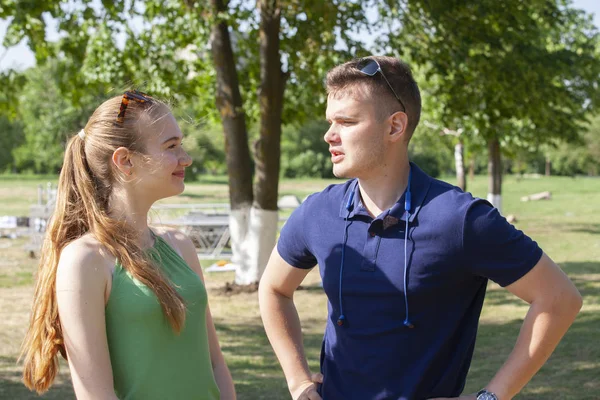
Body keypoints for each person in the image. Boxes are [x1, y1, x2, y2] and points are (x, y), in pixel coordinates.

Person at [258, 56, 583, 400]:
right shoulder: (317, 212)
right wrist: (298, 381)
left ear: (395, 126)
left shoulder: (460, 219)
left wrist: (490, 397)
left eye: (347, 122)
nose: (329, 135)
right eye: (329, 122)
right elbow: (274, 290)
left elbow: (559, 298)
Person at [20, 91, 236, 400]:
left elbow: (215, 365)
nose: (186, 158)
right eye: (171, 146)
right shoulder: (84, 261)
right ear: (125, 160)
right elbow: (96, 394)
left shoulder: (180, 246)